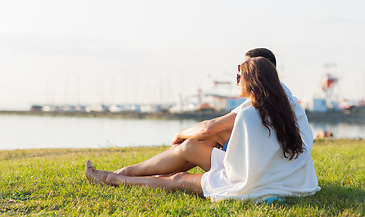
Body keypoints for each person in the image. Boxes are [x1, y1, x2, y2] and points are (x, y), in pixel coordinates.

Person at [85, 56, 320, 202]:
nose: (237, 80)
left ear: (253, 81)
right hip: (289, 178)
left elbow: (228, 153)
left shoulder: (249, 114)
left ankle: (112, 179)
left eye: (240, 76)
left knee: (177, 179)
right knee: (189, 149)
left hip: (254, 181)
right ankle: (123, 173)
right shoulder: (289, 107)